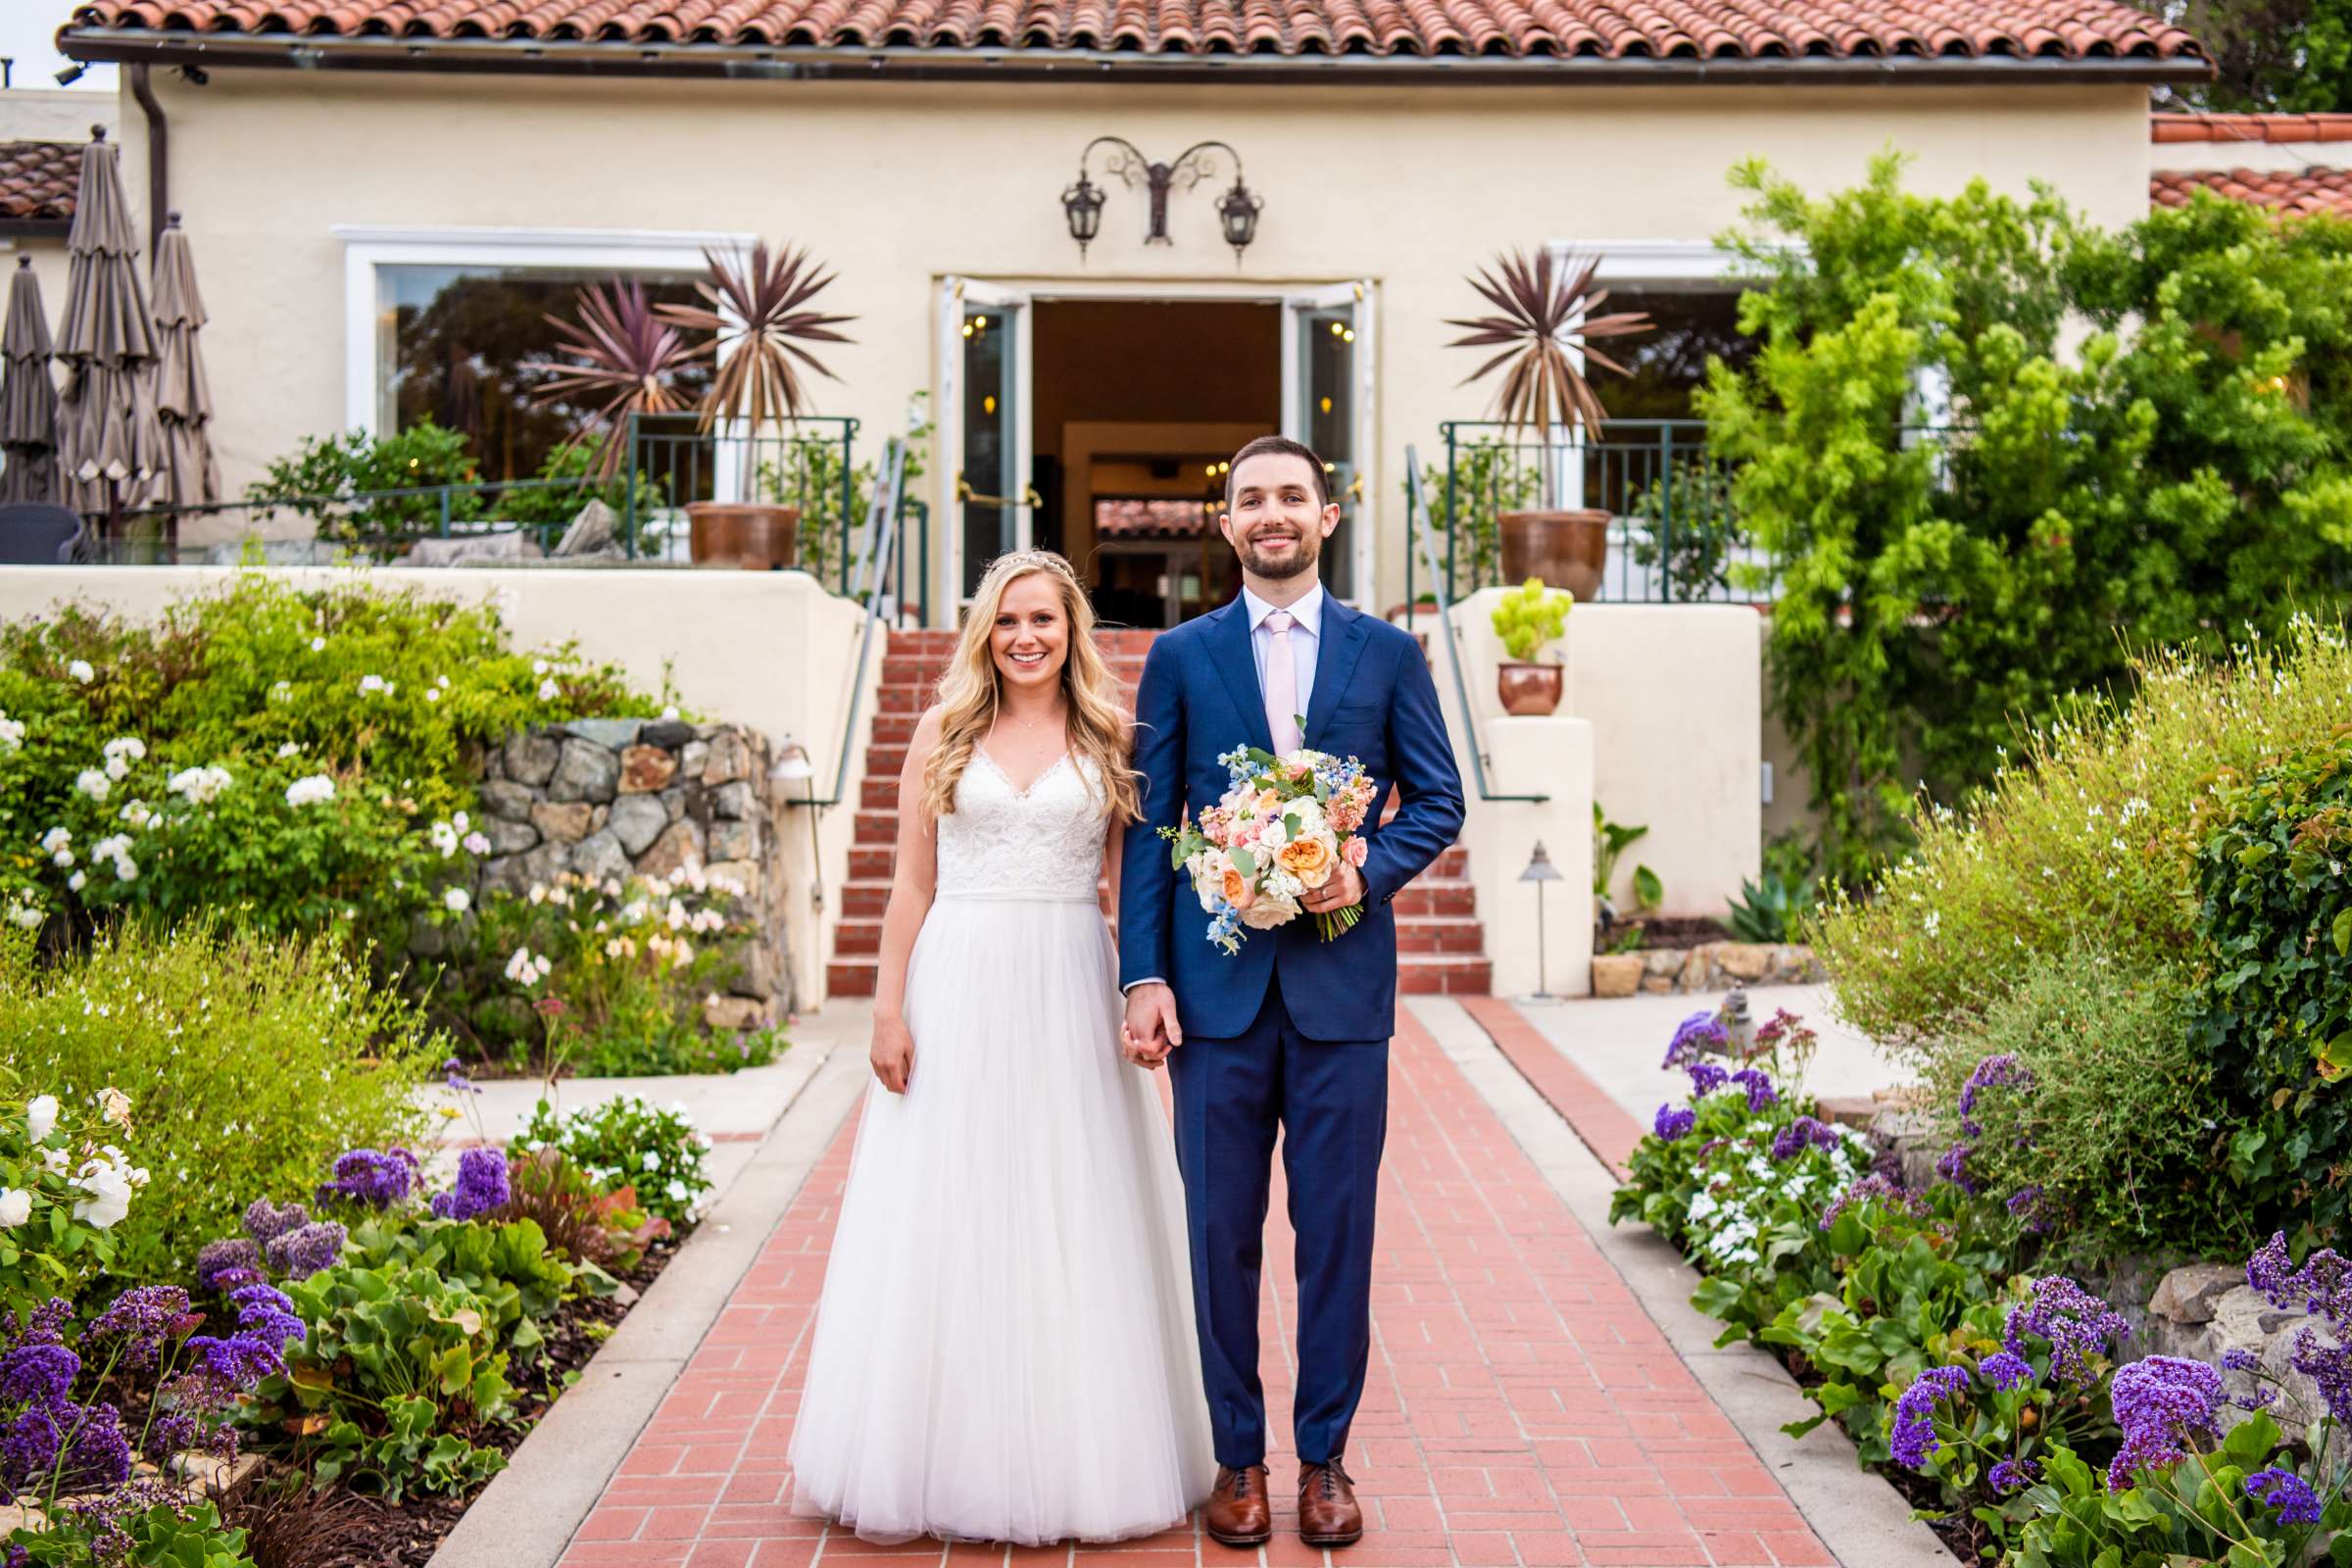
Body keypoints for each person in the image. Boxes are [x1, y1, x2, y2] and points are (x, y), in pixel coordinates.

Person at [789, 549, 1214, 1545]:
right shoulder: (944, 730)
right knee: (952, 1203)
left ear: (1073, 633)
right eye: (1009, 621)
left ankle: (1084, 1450)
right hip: (961, 979)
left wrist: (1145, 986)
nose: (1027, 637)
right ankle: (942, 1448)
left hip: (1069, 975)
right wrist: (886, 1009)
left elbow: (1129, 889)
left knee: (1073, 1200)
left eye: (1046, 621)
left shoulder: (1110, 736)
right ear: (985, 631)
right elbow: (910, 886)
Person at [1119, 435, 1466, 1548]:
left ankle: (1323, 1458)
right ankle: (1237, 1459)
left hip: (1340, 992)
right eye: (1250, 499)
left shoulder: (1388, 655)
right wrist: (1144, 971)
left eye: (1291, 497)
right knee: (1219, 1234)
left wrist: (1363, 868)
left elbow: (1439, 798)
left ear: (1327, 516)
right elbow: (1152, 825)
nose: (1271, 514)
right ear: (1225, 525)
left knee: (1337, 1232)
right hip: (1213, 1003)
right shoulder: (1180, 656)